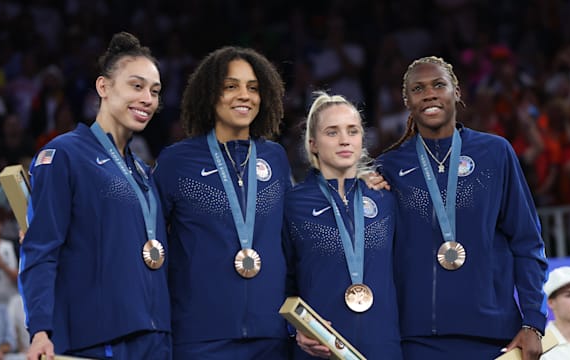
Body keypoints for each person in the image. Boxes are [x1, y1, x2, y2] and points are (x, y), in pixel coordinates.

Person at [377, 56, 548, 359]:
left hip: (493, 335)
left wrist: (533, 321)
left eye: (438, 85)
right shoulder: (389, 167)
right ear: (407, 100)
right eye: (418, 89)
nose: (429, 94)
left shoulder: (495, 153)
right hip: (417, 339)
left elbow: (527, 241)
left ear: (456, 91)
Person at [18, 31, 171, 359]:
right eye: (136, 85)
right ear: (103, 87)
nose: (148, 98)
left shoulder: (143, 172)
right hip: (98, 337)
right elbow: (41, 249)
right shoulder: (63, 155)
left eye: (155, 91)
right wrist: (41, 329)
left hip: (155, 336)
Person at [153, 46, 293, 359]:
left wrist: (360, 181)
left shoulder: (276, 158)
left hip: (269, 336)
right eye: (231, 86)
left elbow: (296, 237)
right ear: (209, 93)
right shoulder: (177, 161)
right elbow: (145, 237)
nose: (244, 95)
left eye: (253, 88)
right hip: (199, 337)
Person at [283, 91, 403, 359]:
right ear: (313, 144)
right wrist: (294, 329)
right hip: (320, 348)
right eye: (332, 132)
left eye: (352, 131)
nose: (345, 140)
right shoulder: (292, 203)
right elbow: (281, 281)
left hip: (383, 347)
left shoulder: (385, 199)